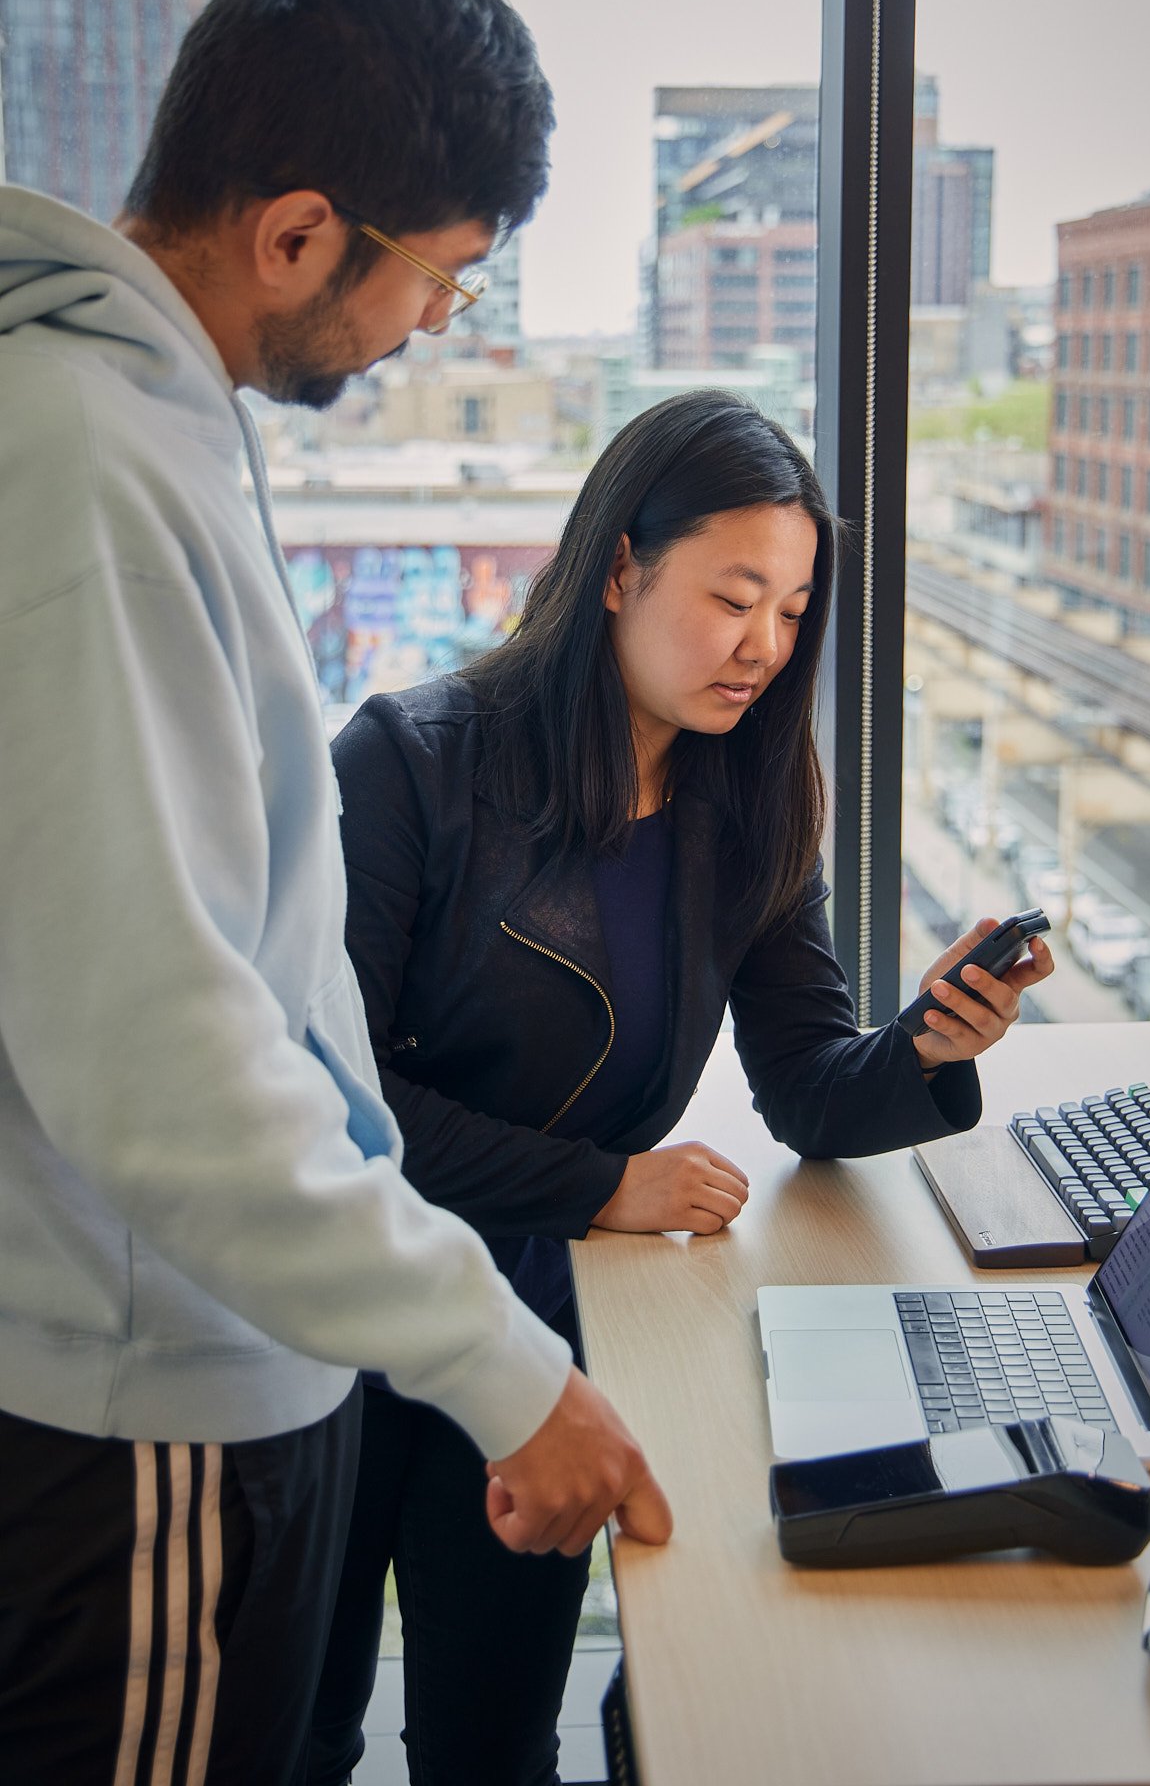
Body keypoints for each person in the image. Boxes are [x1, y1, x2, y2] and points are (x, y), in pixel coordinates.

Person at [0, 0, 669, 1786]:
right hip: (146, 1411)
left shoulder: (148, 420)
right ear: (298, 234)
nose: (420, 333)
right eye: (435, 286)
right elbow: (163, 1050)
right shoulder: (82, 460)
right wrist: (496, 1365)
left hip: (219, 1363)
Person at [309, 390, 1054, 1784]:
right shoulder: (407, 764)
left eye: (789, 609)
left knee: (489, 1741)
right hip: (341, 1309)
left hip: (542, 1332)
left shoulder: (748, 805)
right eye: (730, 598)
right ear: (616, 569)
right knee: (296, 1730)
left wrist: (931, 1048)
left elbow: (812, 1097)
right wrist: (603, 1183)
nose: (764, 648)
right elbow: (337, 1112)